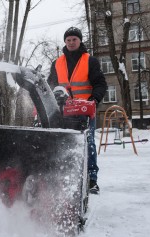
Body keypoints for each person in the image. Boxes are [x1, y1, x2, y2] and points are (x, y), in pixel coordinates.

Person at [47, 27, 107, 194]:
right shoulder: (57, 63)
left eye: (74, 39)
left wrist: (93, 100)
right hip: (63, 112)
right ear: (65, 42)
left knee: (88, 143)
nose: (71, 42)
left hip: (84, 110)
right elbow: (50, 85)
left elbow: (101, 84)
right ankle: (62, 176)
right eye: (68, 40)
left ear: (80, 41)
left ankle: (92, 179)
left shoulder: (90, 61)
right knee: (59, 142)